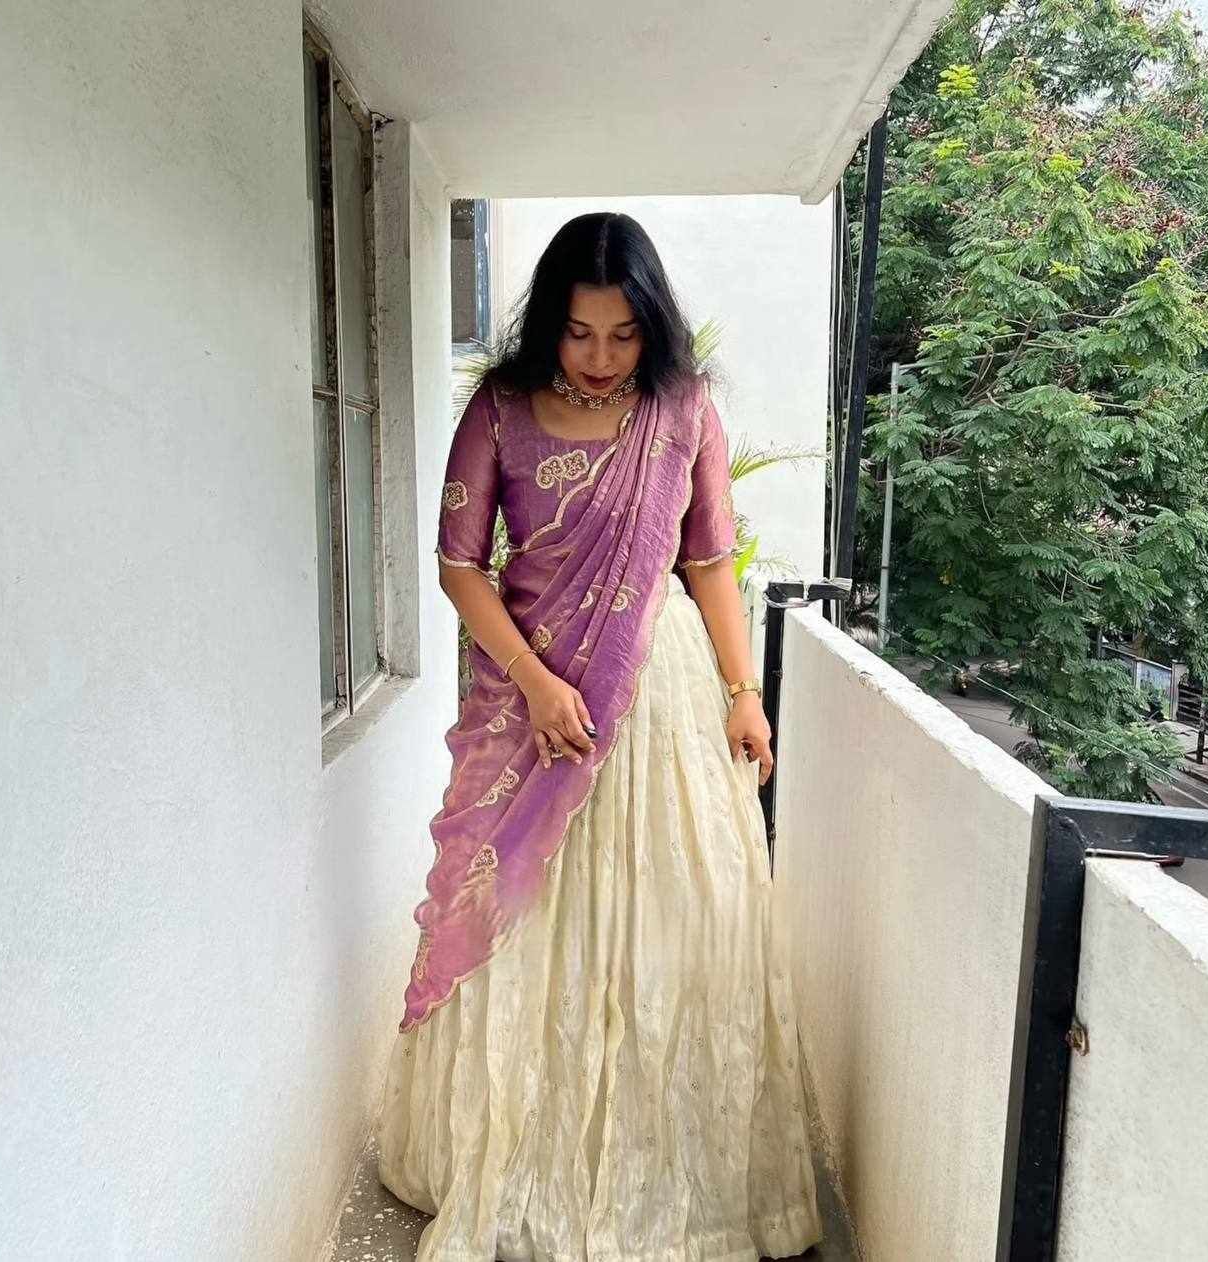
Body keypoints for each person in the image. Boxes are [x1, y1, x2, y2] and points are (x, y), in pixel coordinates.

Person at [377, 212, 822, 1260]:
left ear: (650, 327)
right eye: (580, 333)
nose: (601, 356)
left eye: (623, 334)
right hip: (530, 701)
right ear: (551, 321)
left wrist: (743, 690)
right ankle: (521, 1157)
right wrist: (533, 683)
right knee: (526, 920)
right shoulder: (499, 407)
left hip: (659, 697)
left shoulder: (682, 409)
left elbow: (707, 562)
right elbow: (458, 565)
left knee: (676, 918)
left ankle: (663, 1172)